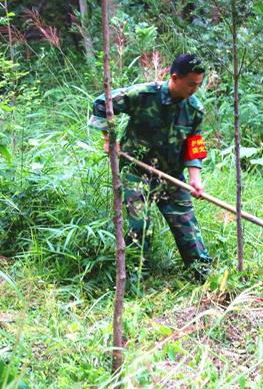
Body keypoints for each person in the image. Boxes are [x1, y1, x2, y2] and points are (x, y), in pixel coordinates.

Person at [88, 53, 212, 280]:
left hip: (171, 176)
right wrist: (109, 139)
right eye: (191, 84)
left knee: (187, 226)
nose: (194, 90)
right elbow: (101, 103)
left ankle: (201, 274)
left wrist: (195, 178)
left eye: (199, 85)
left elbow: (195, 144)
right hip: (136, 172)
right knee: (140, 226)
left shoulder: (195, 109)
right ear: (175, 77)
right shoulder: (144, 95)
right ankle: (135, 277)